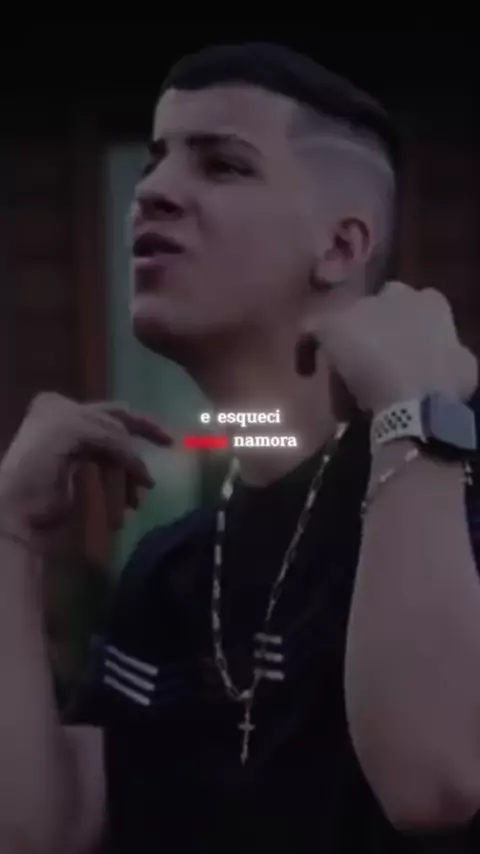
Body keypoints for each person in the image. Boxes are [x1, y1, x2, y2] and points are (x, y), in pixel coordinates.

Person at [0, 41, 479, 854]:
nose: (152, 192)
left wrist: (411, 414)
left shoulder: (450, 481)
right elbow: (38, 826)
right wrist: (9, 534)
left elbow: (435, 784)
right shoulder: (173, 569)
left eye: (222, 165)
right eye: (153, 161)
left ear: (341, 246)